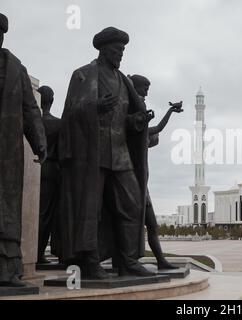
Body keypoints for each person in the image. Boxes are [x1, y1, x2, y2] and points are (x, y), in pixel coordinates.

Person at [58, 27, 154, 279]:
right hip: (92, 153)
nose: (120, 54)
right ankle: (89, 260)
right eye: (117, 49)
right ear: (103, 49)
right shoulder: (83, 75)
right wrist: (95, 106)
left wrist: (137, 120)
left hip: (120, 154)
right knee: (91, 208)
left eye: (123, 50)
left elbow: (127, 119)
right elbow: (70, 113)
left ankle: (127, 261)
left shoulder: (124, 81)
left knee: (132, 205)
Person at [0, 13, 47, 287]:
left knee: (6, 209)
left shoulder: (16, 69)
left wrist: (39, 141)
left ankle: (7, 269)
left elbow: (31, 110)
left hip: (7, 151)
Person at [129, 74, 182, 270]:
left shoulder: (141, 124)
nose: (147, 92)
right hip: (132, 181)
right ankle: (128, 262)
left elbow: (158, 127)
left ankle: (161, 261)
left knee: (151, 225)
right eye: (144, 88)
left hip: (143, 184)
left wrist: (170, 110)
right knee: (136, 225)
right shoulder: (132, 117)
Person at [37, 86, 62, 264]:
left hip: (33, 168)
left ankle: (34, 253)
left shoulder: (31, 121)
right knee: (46, 215)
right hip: (52, 170)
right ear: (52, 101)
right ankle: (38, 253)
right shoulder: (58, 124)